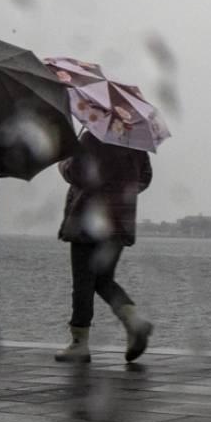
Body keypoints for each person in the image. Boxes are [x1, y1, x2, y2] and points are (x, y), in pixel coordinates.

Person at [54, 132, 153, 364]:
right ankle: (134, 322)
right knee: (103, 279)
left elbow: (78, 173)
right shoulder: (135, 142)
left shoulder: (91, 138)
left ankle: (79, 343)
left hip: (88, 221)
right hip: (119, 223)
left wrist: (64, 164)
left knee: (83, 282)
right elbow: (145, 178)